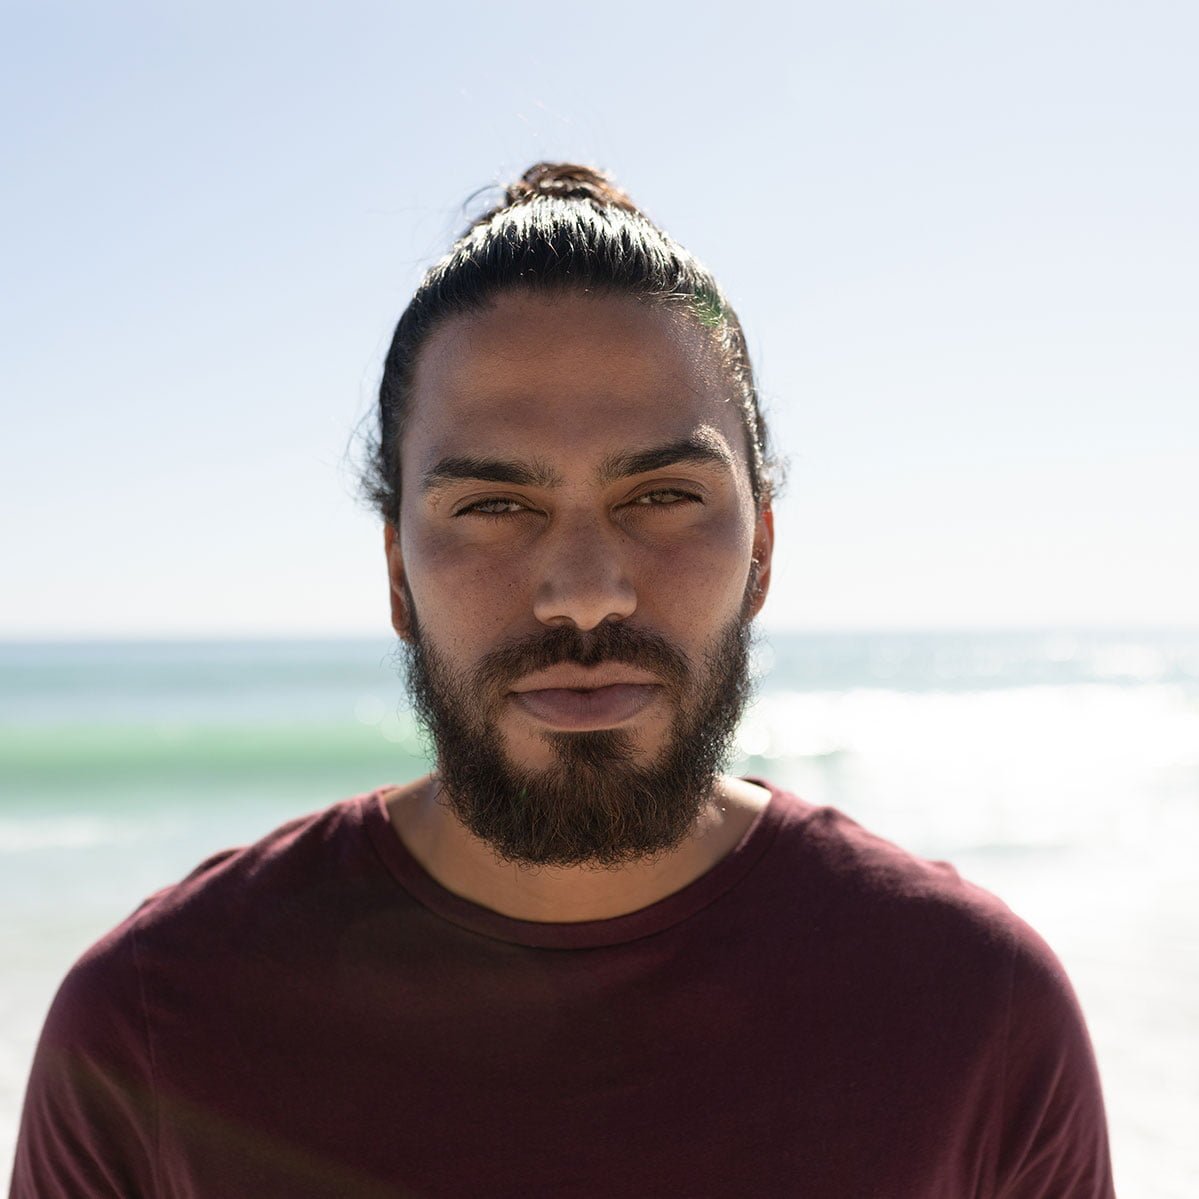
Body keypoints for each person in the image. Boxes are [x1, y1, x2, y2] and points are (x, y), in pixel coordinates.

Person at [11, 163, 1114, 1198]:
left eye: (662, 495)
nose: (583, 592)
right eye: (494, 507)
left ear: (762, 551)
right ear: (397, 571)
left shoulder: (973, 1011)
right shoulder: (152, 1028)